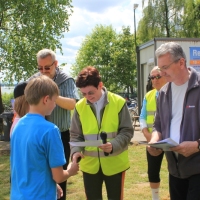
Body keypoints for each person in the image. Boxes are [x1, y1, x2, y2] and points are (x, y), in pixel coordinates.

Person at [10, 75, 79, 200]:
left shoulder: (18, 124)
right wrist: (70, 170)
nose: (55, 105)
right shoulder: (50, 130)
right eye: (54, 100)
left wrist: (53, 185)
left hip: (18, 195)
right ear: (46, 99)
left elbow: (26, 164)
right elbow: (58, 176)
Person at [70, 66, 133, 200]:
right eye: (84, 94)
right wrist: (75, 151)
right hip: (89, 166)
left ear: (100, 85)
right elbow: (75, 135)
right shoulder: (79, 107)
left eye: (91, 93)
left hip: (115, 164)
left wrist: (114, 144)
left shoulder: (119, 102)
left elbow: (127, 131)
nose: (88, 97)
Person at [148, 42, 200, 200]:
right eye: (160, 68)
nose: (161, 73)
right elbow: (158, 125)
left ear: (181, 62)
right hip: (175, 170)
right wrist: (155, 140)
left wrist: (197, 146)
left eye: (165, 67)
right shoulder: (163, 93)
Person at [29, 49, 80, 200]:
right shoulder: (33, 80)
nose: (43, 71)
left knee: (59, 178)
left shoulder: (66, 79)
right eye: (40, 68)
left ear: (56, 64)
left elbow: (73, 104)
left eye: (47, 67)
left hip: (60, 136)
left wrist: (52, 94)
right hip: (38, 136)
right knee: (41, 174)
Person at [140, 66, 167, 200]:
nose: (154, 80)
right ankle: (155, 198)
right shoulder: (148, 95)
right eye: (152, 77)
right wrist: (146, 134)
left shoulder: (173, 94)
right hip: (153, 141)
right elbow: (142, 116)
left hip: (170, 140)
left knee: (176, 172)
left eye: (158, 77)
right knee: (152, 171)